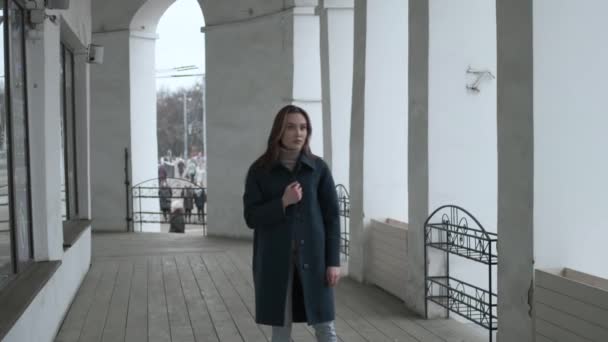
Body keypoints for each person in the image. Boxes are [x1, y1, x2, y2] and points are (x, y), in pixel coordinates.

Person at [243, 105, 341, 342]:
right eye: (291, 127)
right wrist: (282, 203)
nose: (298, 133)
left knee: (325, 327)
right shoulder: (260, 171)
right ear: (278, 131)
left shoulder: (318, 168)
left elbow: (332, 218)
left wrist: (333, 262)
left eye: (303, 127)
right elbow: (251, 217)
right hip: (276, 262)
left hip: (315, 260)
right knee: (281, 330)